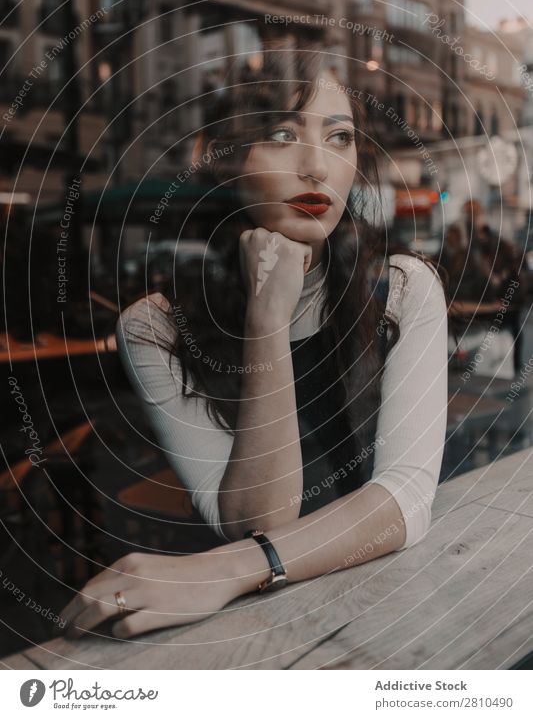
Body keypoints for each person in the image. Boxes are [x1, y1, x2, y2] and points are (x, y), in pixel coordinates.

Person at [60, 47, 449, 640]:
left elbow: (405, 500)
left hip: (388, 599)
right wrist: (268, 316)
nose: (317, 167)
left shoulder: (401, 290)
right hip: (258, 626)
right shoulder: (154, 329)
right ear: (227, 163)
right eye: (281, 134)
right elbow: (259, 518)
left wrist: (220, 571)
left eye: (339, 138)